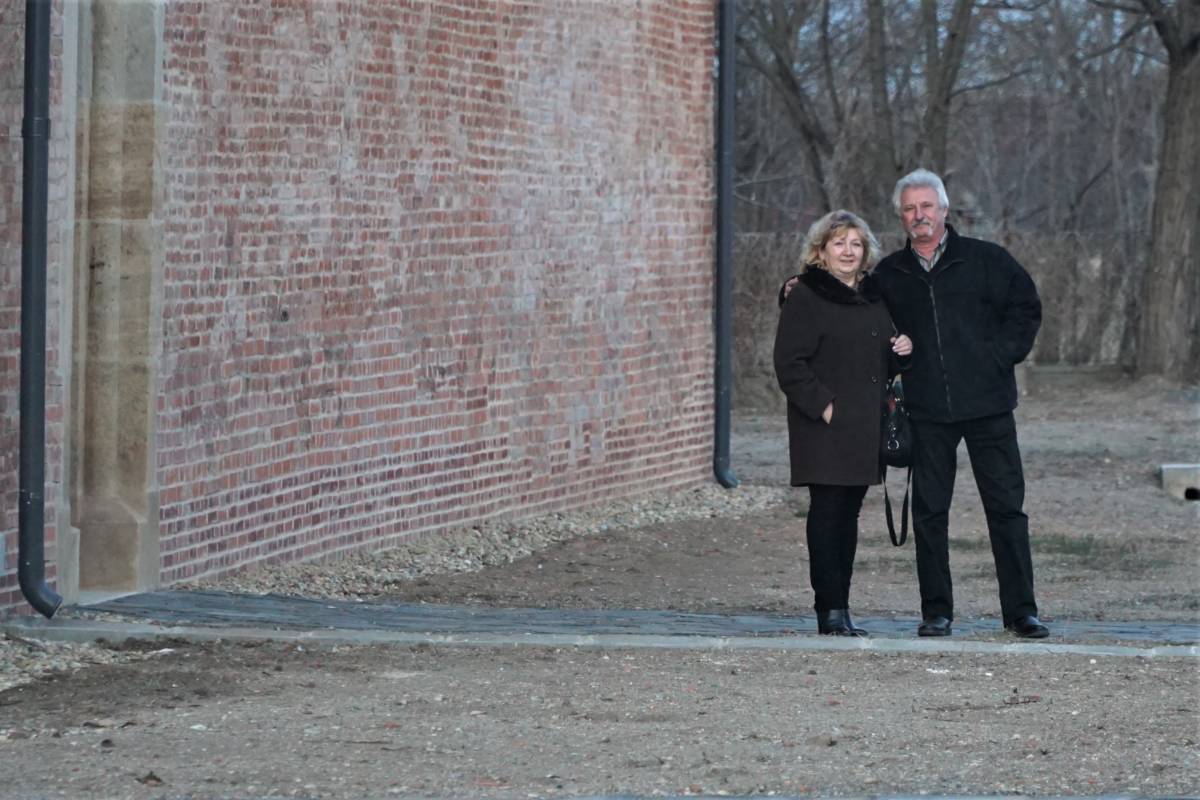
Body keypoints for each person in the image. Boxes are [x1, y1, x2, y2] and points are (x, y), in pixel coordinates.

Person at [873, 168, 1049, 639]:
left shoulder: (986, 260)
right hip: (927, 410)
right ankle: (937, 612)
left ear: (945, 210)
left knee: (1006, 509)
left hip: (989, 406)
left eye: (926, 206)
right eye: (910, 208)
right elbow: (861, 322)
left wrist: (999, 356)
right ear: (901, 216)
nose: (919, 215)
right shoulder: (889, 274)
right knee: (930, 513)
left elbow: (1026, 308)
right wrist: (797, 286)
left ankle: (1021, 612)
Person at [774, 210, 913, 637]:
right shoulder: (805, 295)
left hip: (864, 424)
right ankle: (828, 610)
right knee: (827, 513)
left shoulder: (873, 296)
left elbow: (880, 358)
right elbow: (789, 364)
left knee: (848, 515)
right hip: (824, 425)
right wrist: (825, 407)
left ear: (865, 251)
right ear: (821, 251)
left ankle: (842, 608)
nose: (848, 251)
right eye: (839, 243)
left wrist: (903, 350)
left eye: (856, 244)